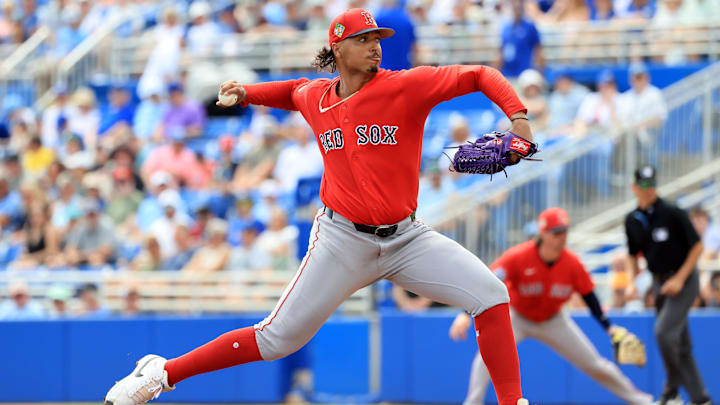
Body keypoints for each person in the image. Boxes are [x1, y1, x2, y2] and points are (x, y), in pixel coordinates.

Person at [105, 8, 534, 405]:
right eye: (364, 39)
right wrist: (248, 93)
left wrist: (518, 118)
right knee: (277, 339)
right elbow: (293, 92)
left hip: (406, 238)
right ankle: (161, 374)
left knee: (491, 295)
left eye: (378, 39)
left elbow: (479, 74)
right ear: (338, 48)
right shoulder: (318, 97)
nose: (376, 46)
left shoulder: (404, 86)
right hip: (341, 239)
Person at [449, 207, 653, 405]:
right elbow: (487, 281)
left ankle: (641, 401)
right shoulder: (518, 256)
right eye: (556, 232)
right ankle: (472, 402)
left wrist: (609, 327)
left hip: (554, 320)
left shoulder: (572, 263)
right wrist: (465, 314)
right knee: (489, 355)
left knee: (594, 364)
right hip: (518, 317)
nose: (562, 237)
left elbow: (590, 297)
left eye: (564, 231)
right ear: (543, 233)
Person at [624, 165, 712, 405]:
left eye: (651, 183)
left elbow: (697, 247)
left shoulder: (673, 212)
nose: (648, 188)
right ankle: (700, 398)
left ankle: (672, 387)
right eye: (643, 184)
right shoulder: (632, 220)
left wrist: (679, 279)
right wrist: (633, 281)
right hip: (658, 282)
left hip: (684, 280)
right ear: (634, 188)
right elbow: (632, 254)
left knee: (663, 333)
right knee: (681, 345)